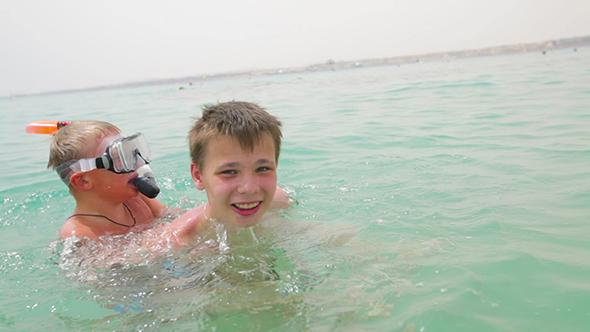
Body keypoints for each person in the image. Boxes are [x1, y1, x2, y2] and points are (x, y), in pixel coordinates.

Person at [164, 101, 291, 246]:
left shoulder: (279, 201)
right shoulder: (177, 242)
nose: (249, 188)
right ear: (198, 176)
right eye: (229, 172)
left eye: (262, 169)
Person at [47, 120, 167, 240]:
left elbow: (173, 217)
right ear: (83, 181)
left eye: (130, 154)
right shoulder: (78, 234)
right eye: (120, 158)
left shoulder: (138, 200)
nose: (137, 164)